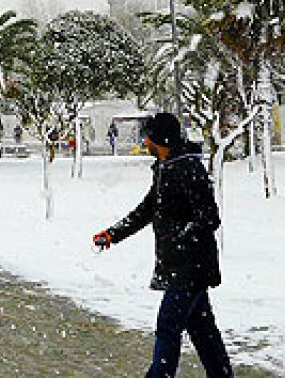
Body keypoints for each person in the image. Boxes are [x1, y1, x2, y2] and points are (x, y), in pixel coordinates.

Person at [93, 112, 233, 378]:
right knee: (202, 330)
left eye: (148, 136)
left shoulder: (188, 168)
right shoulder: (165, 166)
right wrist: (113, 234)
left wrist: (183, 238)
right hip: (181, 265)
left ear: (159, 139)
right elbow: (147, 209)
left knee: (168, 326)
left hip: (190, 265)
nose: (145, 141)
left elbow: (209, 216)